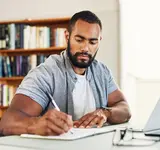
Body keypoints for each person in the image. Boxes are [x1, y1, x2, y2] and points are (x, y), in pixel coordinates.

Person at [0, 10, 131, 136]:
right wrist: (36, 124)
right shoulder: (45, 74)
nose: (85, 48)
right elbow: (6, 123)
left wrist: (106, 113)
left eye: (92, 42)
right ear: (67, 37)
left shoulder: (102, 72)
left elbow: (124, 108)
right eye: (79, 40)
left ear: (99, 41)